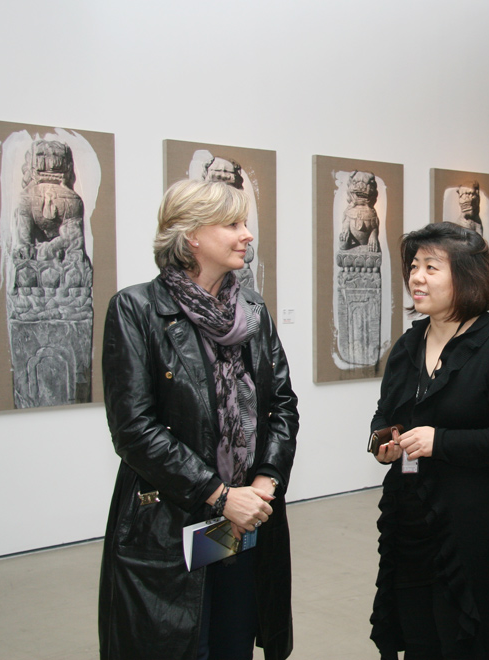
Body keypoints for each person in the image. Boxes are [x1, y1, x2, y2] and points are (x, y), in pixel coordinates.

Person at [99, 179, 299, 660]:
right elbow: (134, 429)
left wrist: (265, 484)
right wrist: (219, 495)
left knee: (233, 639)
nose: (246, 234)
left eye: (245, 222)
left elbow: (282, 405)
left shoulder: (252, 309)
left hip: (248, 515)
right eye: (232, 223)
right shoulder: (137, 309)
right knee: (180, 643)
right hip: (167, 522)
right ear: (189, 235)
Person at [369, 222, 489, 660]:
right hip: (412, 522)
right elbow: (386, 416)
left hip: (477, 531)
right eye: (414, 266)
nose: (417, 277)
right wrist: (382, 444)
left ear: (466, 277)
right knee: (421, 637)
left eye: (432, 266)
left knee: (472, 641)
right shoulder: (409, 345)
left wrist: (441, 442)